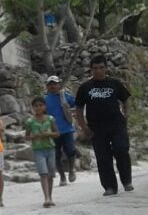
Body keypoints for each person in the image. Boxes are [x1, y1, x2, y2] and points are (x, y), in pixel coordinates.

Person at [75, 54, 134, 196]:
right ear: (91, 70)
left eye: (101, 68)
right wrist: (84, 127)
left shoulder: (114, 83)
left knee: (121, 149)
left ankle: (126, 181)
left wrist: (126, 116)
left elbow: (125, 100)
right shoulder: (85, 87)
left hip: (116, 124)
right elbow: (78, 109)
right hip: (96, 128)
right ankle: (110, 187)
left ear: (106, 68)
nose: (98, 71)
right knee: (103, 157)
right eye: (95, 68)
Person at [23, 96, 60, 207]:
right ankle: (47, 198)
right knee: (43, 173)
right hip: (38, 150)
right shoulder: (30, 121)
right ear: (32, 108)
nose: (38, 108)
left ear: (45, 106)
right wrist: (33, 136)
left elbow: (57, 133)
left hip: (50, 148)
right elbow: (27, 136)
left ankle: (50, 196)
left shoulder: (50, 119)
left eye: (40, 105)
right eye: (36, 106)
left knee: (51, 174)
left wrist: (47, 134)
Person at [43, 75, 79, 185]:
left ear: (59, 85)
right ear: (47, 86)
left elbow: (77, 104)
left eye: (55, 83)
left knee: (71, 151)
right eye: (50, 84)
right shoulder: (44, 100)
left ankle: (72, 170)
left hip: (67, 129)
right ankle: (62, 177)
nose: (53, 86)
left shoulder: (64, 96)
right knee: (56, 155)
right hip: (53, 132)